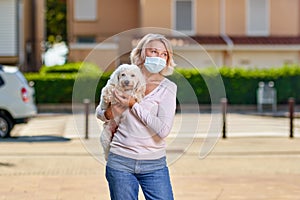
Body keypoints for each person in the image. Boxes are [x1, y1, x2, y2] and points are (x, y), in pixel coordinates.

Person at [96, 33, 177, 200]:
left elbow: (163, 130)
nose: (159, 57)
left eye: (164, 54)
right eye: (154, 51)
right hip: (120, 161)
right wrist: (111, 113)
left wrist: (133, 105)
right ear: (141, 53)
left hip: (154, 164)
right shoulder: (122, 77)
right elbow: (100, 113)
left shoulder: (168, 88)